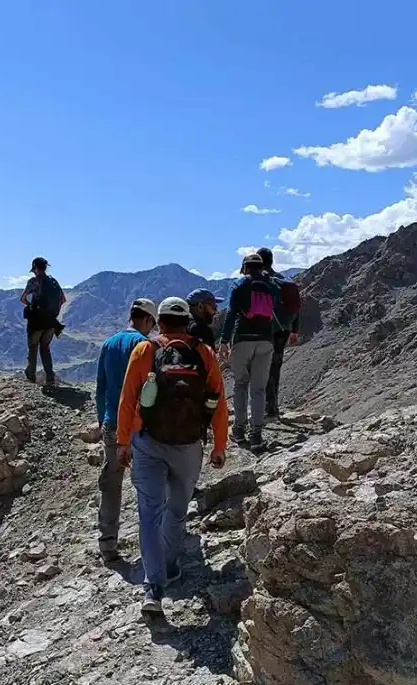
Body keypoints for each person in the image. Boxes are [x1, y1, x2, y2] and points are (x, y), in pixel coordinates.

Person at [116, 297, 228, 616]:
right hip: (189, 446)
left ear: (161, 322)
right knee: (177, 511)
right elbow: (218, 402)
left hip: (149, 443)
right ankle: (171, 565)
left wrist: (123, 441)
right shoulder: (204, 353)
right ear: (187, 322)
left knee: (149, 514)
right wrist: (220, 446)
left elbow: (128, 399)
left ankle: (153, 587)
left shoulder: (145, 351)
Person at [93, 298, 158, 563]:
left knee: (111, 483)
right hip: (140, 427)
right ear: (147, 320)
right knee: (149, 484)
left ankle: (108, 545)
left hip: (112, 425)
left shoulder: (108, 344)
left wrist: (102, 420)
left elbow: (100, 387)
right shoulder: (145, 346)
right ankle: (153, 543)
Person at [220, 253, 277, 451]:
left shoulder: (239, 285)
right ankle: (257, 435)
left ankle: (238, 430)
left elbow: (230, 314)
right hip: (266, 341)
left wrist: (224, 341)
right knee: (259, 389)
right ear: (262, 267)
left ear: (245, 267)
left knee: (241, 384)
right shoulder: (271, 285)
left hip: (243, 340)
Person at [256, 248, 301, 419]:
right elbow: (297, 307)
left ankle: (268, 409)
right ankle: (273, 407)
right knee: (275, 367)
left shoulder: (261, 281)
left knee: (263, 368)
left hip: (266, 330)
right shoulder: (284, 281)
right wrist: (295, 330)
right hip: (284, 329)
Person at [19, 257, 65, 384]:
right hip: (50, 323)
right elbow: (62, 300)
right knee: (45, 348)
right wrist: (52, 314)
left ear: (34, 268)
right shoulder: (53, 281)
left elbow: (22, 299)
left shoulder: (33, 281)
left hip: (36, 323)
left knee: (33, 348)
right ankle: (50, 378)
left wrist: (30, 306)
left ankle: (31, 377)